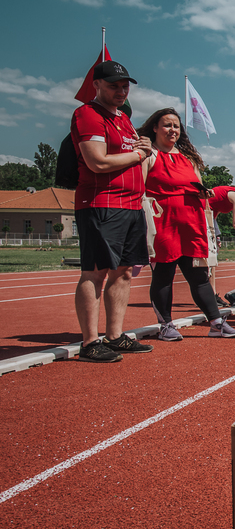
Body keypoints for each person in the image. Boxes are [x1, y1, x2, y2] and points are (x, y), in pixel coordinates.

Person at [70, 60, 154, 362]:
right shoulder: (88, 115)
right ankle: (90, 342)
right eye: (113, 85)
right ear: (96, 85)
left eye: (124, 85)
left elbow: (136, 156)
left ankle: (115, 336)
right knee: (95, 272)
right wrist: (138, 152)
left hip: (131, 205)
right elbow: (98, 162)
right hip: (102, 203)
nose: (121, 90)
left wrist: (142, 149)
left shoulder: (124, 119)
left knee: (124, 273)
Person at [139, 107, 235, 340]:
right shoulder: (149, 155)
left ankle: (216, 323)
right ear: (155, 128)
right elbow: (140, 189)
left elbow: (198, 187)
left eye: (176, 126)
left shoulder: (188, 158)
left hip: (191, 222)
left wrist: (203, 197)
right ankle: (165, 325)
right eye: (167, 125)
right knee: (164, 274)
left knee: (199, 275)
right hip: (163, 221)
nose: (172, 130)